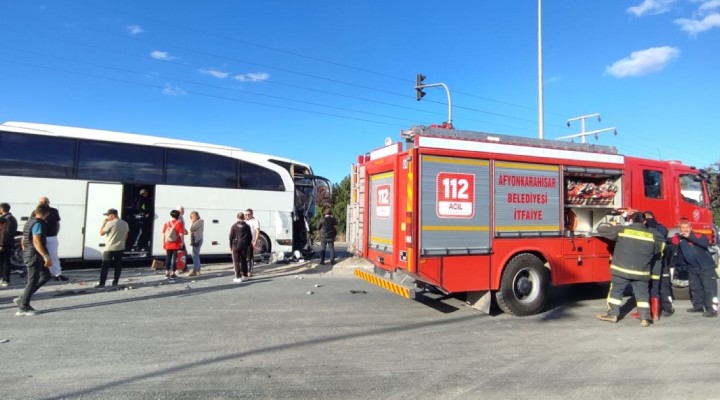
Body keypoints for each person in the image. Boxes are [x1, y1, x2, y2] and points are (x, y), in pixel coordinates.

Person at [596, 212, 664, 327]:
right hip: (641, 272)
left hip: (621, 270)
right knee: (642, 295)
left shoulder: (622, 230)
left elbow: (601, 229)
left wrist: (612, 224)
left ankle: (613, 315)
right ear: (644, 222)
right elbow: (659, 248)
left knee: (616, 292)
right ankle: (644, 319)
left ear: (631, 220)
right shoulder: (651, 235)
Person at [671, 221, 718, 317]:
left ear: (691, 228)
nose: (685, 230)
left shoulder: (698, 236)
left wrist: (689, 237)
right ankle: (698, 306)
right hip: (692, 268)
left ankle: (711, 310)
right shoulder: (680, 239)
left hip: (705, 267)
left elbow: (704, 244)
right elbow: (672, 242)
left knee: (709, 289)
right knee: (695, 288)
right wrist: (677, 236)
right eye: (682, 228)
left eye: (687, 227)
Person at [14, 204, 52, 316]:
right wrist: (45, 256)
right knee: (32, 280)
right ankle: (23, 307)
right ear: (47, 213)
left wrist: (26, 249)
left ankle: (22, 298)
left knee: (45, 276)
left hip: (29, 253)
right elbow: (36, 241)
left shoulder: (29, 221)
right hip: (34, 255)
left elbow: (23, 239)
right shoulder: (38, 223)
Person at [644, 211, 674, 319]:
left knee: (663, 287)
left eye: (648, 218)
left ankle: (667, 308)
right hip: (652, 263)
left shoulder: (660, 228)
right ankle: (653, 312)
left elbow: (661, 235)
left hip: (660, 262)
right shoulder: (655, 228)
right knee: (649, 287)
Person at [96, 209, 129, 288]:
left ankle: (102, 283)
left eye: (108, 215)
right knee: (118, 266)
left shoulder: (110, 223)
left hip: (110, 248)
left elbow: (101, 233)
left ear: (113, 215)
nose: (107, 217)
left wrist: (103, 224)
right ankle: (115, 282)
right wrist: (122, 243)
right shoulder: (125, 223)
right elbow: (126, 235)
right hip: (120, 247)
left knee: (105, 266)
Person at [38, 197, 67, 281]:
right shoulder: (35, 211)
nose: (43, 203)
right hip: (40, 237)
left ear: (48, 202)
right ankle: (41, 274)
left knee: (53, 256)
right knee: (39, 256)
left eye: (45, 202)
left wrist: (55, 234)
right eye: (41, 202)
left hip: (51, 236)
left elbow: (57, 223)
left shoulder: (54, 211)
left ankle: (57, 274)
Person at [229, 212, 252, 283]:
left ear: (237, 217)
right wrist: (247, 244)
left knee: (236, 261)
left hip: (236, 246)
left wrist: (230, 246)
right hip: (244, 246)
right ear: (243, 217)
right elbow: (250, 237)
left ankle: (238, 276)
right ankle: (245, 275)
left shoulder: (234, 226)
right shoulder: (247, 226)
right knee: (244, 260)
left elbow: (231, 237)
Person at [162, 209, 184, 279]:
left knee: (168, 258)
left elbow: (163, 234)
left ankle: (166, 273)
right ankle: (173, 273)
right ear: (178, 215)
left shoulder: (167, 223)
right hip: (176, 243)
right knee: (175, 259)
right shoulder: (179, 223)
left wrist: (163, 243)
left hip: (168, 243)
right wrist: (182, 243)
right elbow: (181, 234)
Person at [0, 202, 17, 287]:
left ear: (2, 209)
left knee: (5, 262)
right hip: (5, 243)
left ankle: (5, 280)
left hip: (5, 244)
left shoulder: (7, 219)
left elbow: (5, 233)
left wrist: (2, 245)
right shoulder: (8, 218)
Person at [188, 211, 204, 277]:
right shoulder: (199, 221)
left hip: (196, 239)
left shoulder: (199, 222)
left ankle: (195, 270)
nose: (192, 218)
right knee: (195, 254)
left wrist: (191, 222)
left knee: (195, 255)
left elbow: (191, 228)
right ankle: (198, 270)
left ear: (197, 216)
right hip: (196, 239)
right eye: (191, 217)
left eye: (193, 216)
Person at [245, 208, 260, 277]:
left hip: (251, 241)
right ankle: (244, 270)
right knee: (243, 257)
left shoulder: (255, 221)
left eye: (249, 214)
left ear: (252, 214)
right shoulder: (244, 221)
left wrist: (255, 241)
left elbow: (257, 231)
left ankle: (250, 271)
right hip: (244, 241)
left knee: (250, 257)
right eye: (246, 215)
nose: (247, 216)